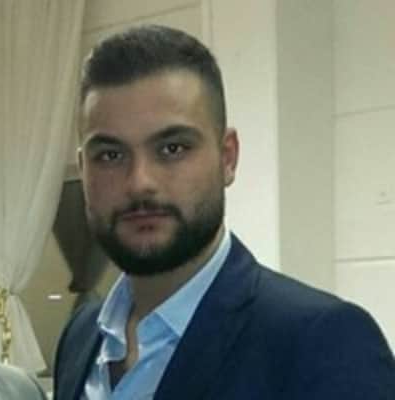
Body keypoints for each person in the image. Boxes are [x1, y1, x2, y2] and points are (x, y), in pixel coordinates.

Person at [53, 25, 395, 400]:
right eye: (110, 155)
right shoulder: (81, 336)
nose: (140, 183)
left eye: (172, 149)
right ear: (83, 169)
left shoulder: (325, 344)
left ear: (227, 157)